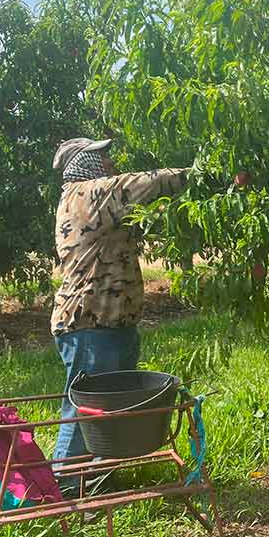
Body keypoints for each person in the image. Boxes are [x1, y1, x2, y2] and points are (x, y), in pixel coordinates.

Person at [49, 137, 187, 489]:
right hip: (90, 324)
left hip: (109, 323)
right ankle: (63, 492)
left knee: (108, 410)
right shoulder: (89, 194)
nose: (110, 163)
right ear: (85, 163)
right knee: (87, 412)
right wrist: (204, 173)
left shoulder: (90, 199)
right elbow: (148, 182)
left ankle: (94, 483)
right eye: (103, 158)